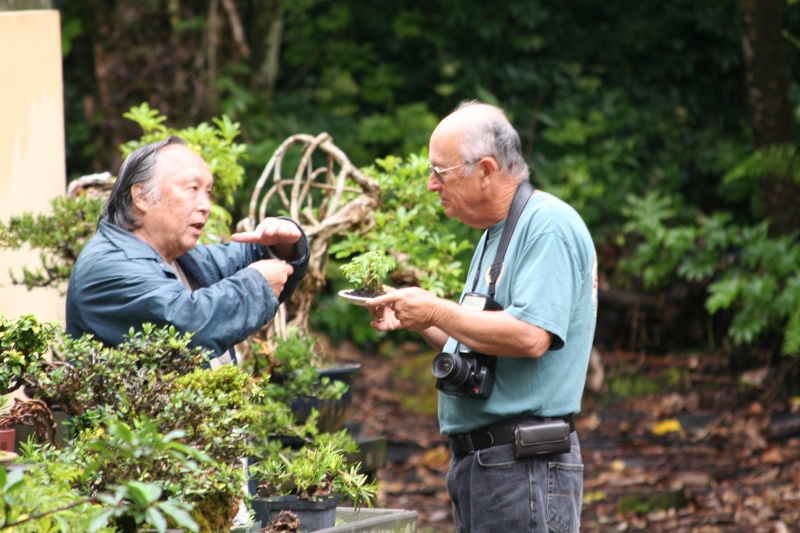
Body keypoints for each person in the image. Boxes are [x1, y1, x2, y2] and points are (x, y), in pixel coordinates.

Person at [366, 101, 598, 532]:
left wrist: (436, 307)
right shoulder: (496, 232)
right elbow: (478, 340)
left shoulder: (547, 225)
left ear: (487, 170)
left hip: (524, 465)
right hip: (489, 465)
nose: (432, 185)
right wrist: (416, 317)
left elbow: (530, 336)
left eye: (441, 172)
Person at [66, 135, 309, 366]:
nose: (206, 206)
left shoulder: (178, 256)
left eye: (208, 192)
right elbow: (186, 324)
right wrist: (257, 285)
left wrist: (283, 243)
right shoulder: (109, 265)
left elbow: (245, 259)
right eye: (192, 188)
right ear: (141, 196)